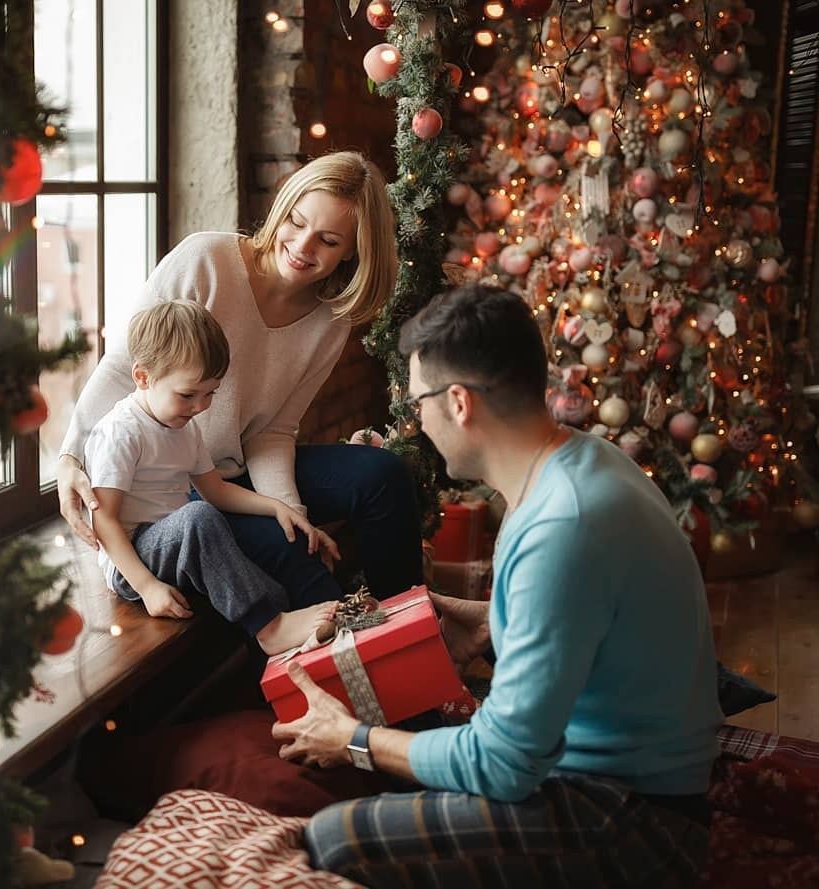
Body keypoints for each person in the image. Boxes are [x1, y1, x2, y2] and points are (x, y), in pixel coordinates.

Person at [273, 285, 723, 888]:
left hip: (634, 814)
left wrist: (352, 740)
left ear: (458, 402)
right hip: (623, 769)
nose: (418, 423)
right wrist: (493, 621)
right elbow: (591, 617)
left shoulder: (561, 524)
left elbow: (504, 765)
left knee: (334, 839)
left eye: (418, 405)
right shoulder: (582, 462)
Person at [58, 151, 423, 610]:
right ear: (282, 206)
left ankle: (411, 620)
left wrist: (291, 513)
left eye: (328, 240)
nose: (303, 247)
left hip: (233, 472)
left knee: (383, 475)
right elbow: (123, 366)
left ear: (352, 250)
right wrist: (70, 455)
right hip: (173, 476)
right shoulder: (204, 260)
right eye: (295, 221)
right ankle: (347, 656)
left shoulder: (330, 319)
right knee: (294, 564)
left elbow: (273, 431)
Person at [85, 300, 339, 655]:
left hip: (174, 544)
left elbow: (215, 489)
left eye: (210, 394)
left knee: (237, 536)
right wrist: (146, 586)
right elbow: (103, 520)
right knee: (198, 516)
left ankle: (284, 625)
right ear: (143, 377)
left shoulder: (184, 427)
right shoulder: (121, 432)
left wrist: (276, 507)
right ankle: (270, 628)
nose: (201, 406)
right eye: (188, 394)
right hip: (132, 563)